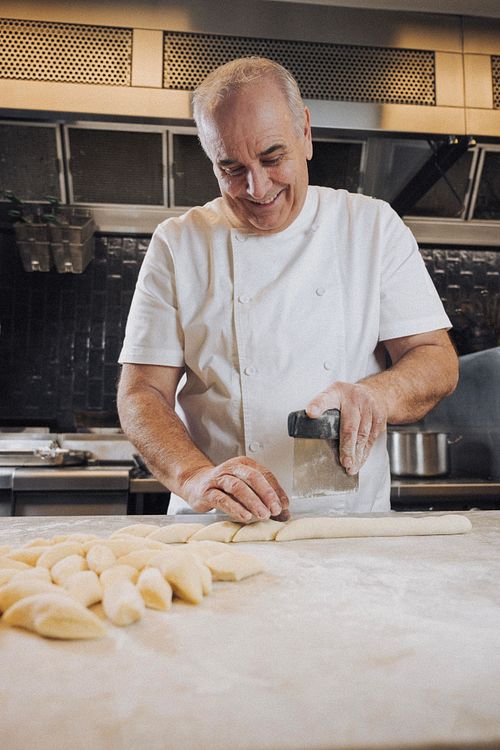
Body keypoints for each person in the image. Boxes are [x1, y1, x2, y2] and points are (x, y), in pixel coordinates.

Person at [117, 57, 458, 522]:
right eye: (231, 168)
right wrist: (194, 475)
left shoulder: (371, 227)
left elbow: (436, 360)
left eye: (272, 158)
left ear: (305, 133)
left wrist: (377, 395)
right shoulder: (179, 244)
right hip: (218, 527)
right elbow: (142, 393)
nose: (256, 187)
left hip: (347, 526)